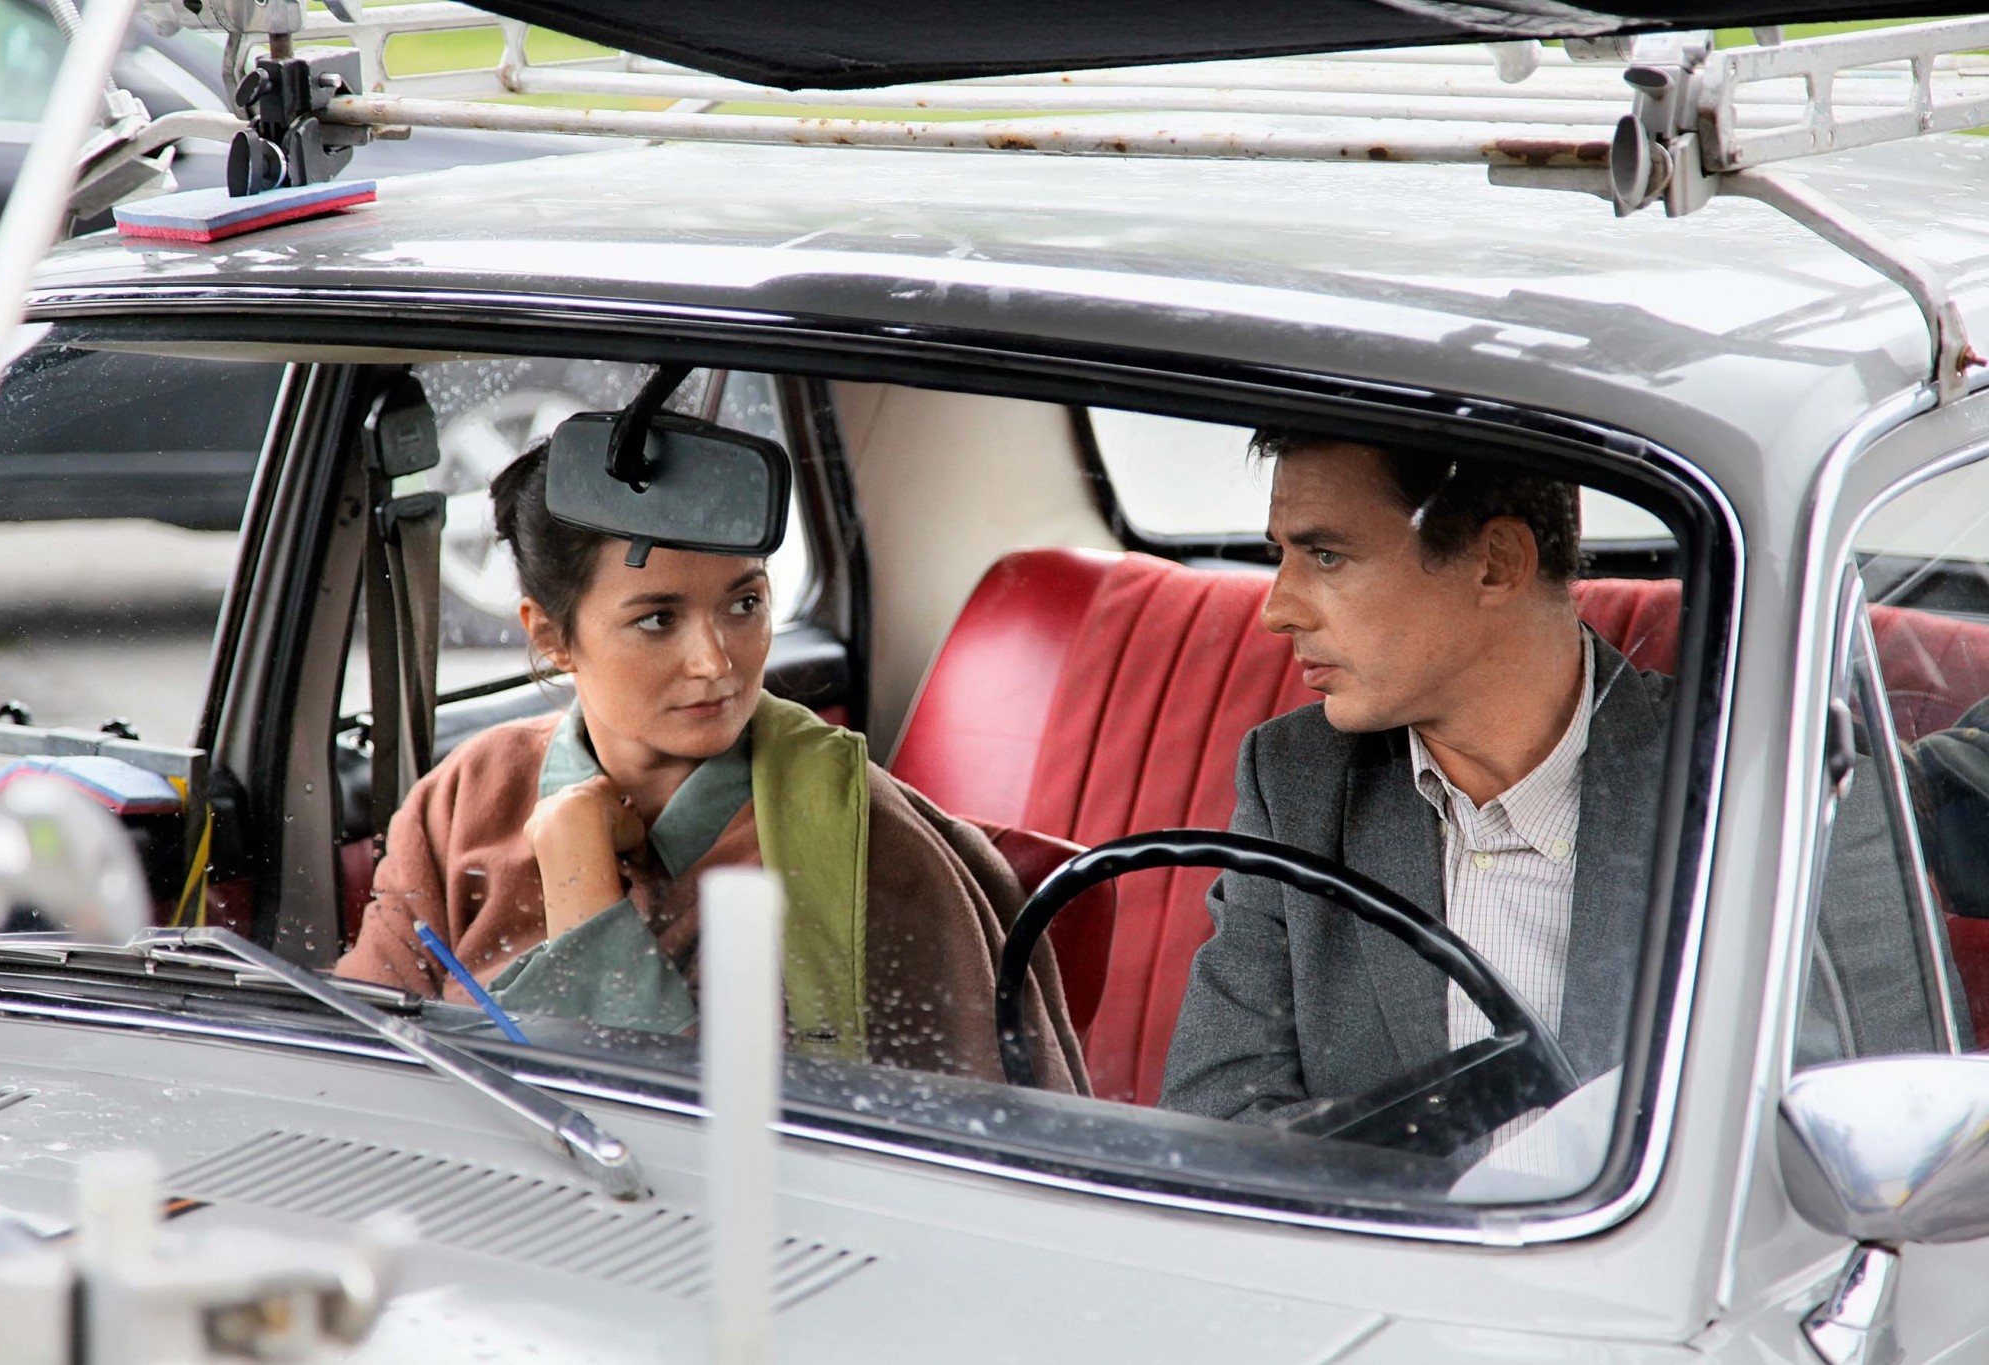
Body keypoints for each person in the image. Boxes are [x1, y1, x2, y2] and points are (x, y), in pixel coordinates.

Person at [1160, 432, 1953, 1130]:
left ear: (1496, 563)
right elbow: (1217, 1117)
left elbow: (1885, 1128)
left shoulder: (1777, 794)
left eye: (1327, 555)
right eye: (1282, 556)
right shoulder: (1295, 781)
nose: (1277, 609)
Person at [335, 440, 1086, 1093]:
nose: (716, 661)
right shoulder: (466, 796)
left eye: (744, 604)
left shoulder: (864, 843)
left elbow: (724, 1141)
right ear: (551, 636)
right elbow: (356, 1060)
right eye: (657, 619)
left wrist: (579, 879)